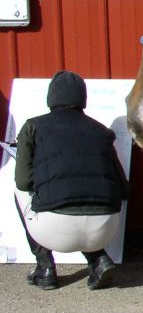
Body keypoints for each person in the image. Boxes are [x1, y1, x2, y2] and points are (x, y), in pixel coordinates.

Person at [14, 71, 129, 290]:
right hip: (104, 231)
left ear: (51, 97)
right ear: (82, 99)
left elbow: (23, 182)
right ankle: (99, 259)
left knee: (19, 193)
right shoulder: (102, 132)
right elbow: (124, 188)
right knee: (88, 195)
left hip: (55, 231)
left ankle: (45, 268)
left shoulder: (33, 127)